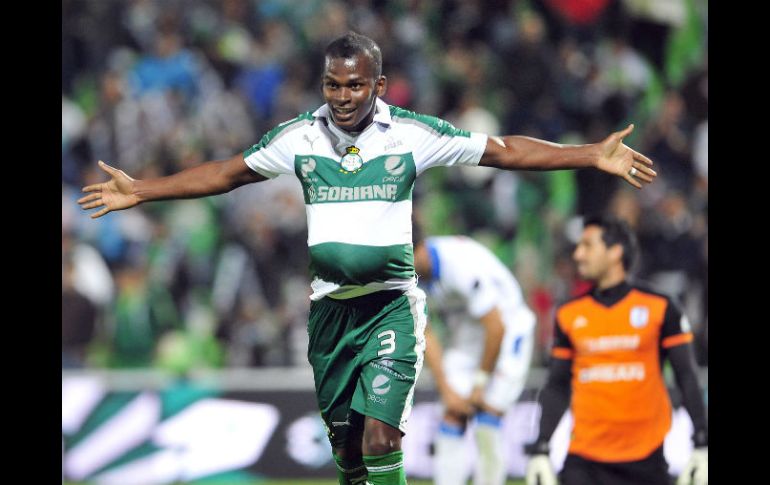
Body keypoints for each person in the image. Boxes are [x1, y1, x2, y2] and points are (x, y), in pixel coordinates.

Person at [78, 32, 655, 485]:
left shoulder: (411, 134)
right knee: (349, 456)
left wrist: (589, 154)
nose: (343, 97)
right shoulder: (298, 137)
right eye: (333, 85)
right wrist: (142, 190)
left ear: (378, 85)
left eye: (355, 86)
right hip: (330, 314)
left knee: (383, 436)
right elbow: (225, 173)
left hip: (390, 308)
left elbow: (504, 152)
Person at [524, 215, 707, 485]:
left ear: (615, 252)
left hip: (646, 461)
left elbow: (687, 376)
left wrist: (702, 441)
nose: (578, 254)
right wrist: (541, 447)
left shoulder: (661, 307)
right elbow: (557, 386)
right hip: (584, 461)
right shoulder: (568, 314)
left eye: (587, 246)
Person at [413, 229, 535, 485]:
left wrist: (480, 383)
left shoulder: (458, 264)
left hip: (508, 324)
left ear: (419, 247)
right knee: (452, 411)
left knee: (488, 415)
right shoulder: (406, 275)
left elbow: (496, 326)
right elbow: (425, 332)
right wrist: (447, 390)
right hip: (468, 332)